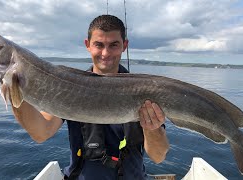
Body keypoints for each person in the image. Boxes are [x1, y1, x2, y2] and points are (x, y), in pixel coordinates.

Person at [10, 14, 169, 180]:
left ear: (125, 45)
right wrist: (14, 90)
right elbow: (41, 132)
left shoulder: (144, 92)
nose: (105, 53)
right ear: (88, 45)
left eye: (113, 45)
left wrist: (153, 128)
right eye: (99, 45)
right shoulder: (68, 87)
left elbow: (158, 156)